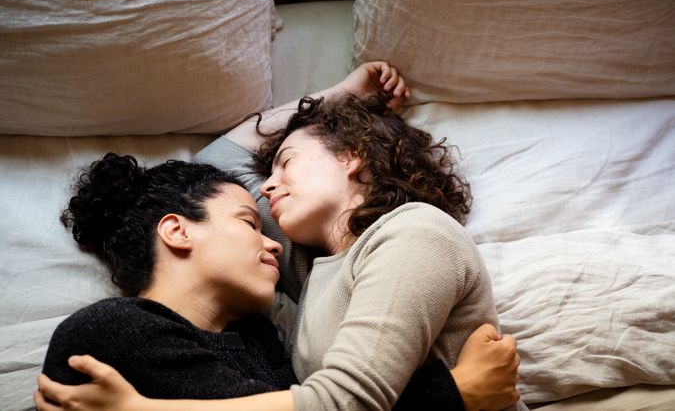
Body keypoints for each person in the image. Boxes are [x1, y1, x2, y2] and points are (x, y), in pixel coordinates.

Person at [36, 62, 524, 411]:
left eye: (285, 162)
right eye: (251, 220)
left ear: (352, 156)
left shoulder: (411, 233)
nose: (268, 186)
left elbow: (341, 400)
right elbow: (213, 170)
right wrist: (454, 394)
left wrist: (336, 105)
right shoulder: (304, 274)